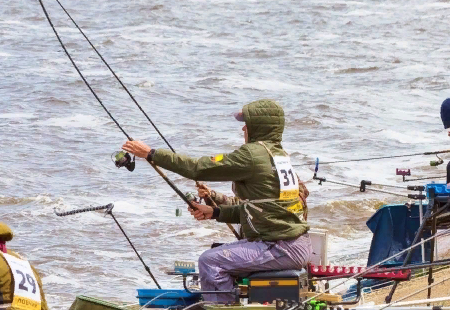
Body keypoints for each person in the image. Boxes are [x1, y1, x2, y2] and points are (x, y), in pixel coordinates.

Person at [121, 100, 311, 306]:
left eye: (247, 122)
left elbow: (197, 168)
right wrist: (215, 212)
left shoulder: (253, 154)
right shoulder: (278, 155)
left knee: (210, 261)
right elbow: (265, 210)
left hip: (281, 247)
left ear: (259, 126)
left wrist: (151, 154)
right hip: (296, 244)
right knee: (219, 251)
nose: (243, 127)